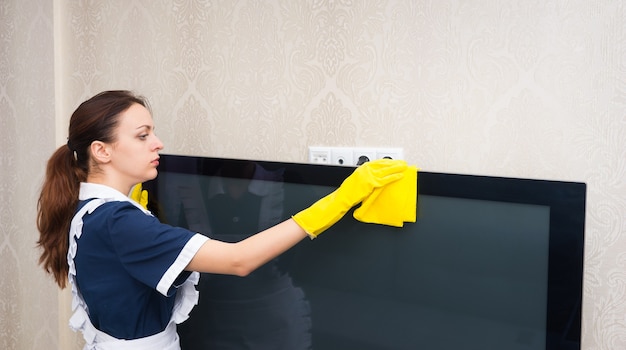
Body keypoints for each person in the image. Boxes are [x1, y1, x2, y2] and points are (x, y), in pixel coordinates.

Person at [36, 90, 408, 349]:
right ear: (101, 151)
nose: (158, 143)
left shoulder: (90, 211)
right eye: (143, 135)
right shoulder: (119, 222)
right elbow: (238, 260)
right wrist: (339, 200)